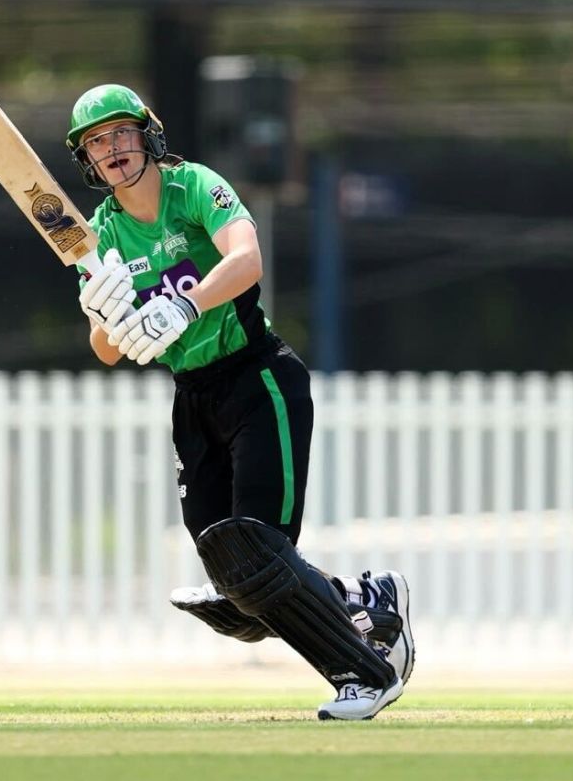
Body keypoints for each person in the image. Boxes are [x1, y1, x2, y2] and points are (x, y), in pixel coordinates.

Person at [68, 83, 414, 720]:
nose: (112, 149)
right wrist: (102, 312)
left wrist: (184, 302)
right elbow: (108, 351)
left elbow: (247, 260)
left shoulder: (195, 186)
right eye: (97, 141)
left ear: (148, 135)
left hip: (259, 381)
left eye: (120, 133)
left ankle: (365, 672)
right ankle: (368, 603)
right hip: (192, 401)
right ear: (87, 160)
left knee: (257, 553)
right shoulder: (102, 235)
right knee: (236, 582)